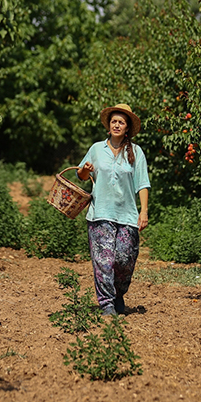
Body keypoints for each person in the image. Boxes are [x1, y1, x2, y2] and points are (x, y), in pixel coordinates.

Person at [77, 104, 150, 316]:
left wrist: (143, 211)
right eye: (114, 121)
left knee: (124, 259)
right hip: (100, 212)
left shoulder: (136, 152)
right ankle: (107, 304)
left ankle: (118, 293)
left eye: (121, 122)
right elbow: (82, 175)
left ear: (127, 128)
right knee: (103, 261)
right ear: (109, 126)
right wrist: (84, 170)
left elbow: (142, 183)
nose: (117, 125)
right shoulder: (96, 149)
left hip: (127, 214)